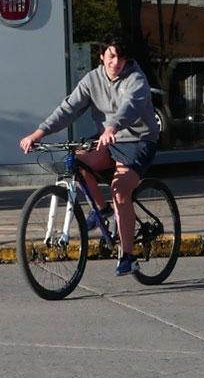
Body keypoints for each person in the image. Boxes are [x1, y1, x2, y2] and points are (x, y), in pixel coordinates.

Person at [19, 34, 160, 275]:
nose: (116, 62)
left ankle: (128, 255)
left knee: (120, 190)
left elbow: (130, 106)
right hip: (107, 138)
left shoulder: (135, 78)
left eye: (121, 58)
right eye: (112, 56)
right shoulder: (92, 79)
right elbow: (69, 108)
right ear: (102, 55)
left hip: (138, 141)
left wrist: (113, 127)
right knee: (77, 161)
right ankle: (102, 210)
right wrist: (38, 133)